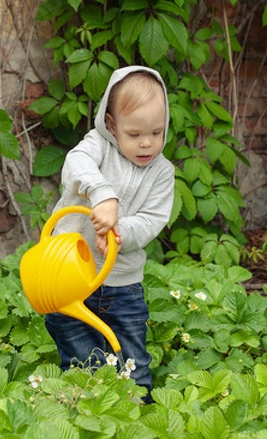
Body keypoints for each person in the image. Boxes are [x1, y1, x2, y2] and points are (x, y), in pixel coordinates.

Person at [45, 65, 175, 404]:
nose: (147, 143)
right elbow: (75, 166)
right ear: (111, 125)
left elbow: (151, 219)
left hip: (123, 284)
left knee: (134, 357)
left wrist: (120, 230)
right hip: (70, 273)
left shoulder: (163, 172)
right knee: (70, 332)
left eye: (157, 133)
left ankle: (137, 411)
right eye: (134, 134)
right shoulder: (96, 149)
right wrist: (103, 193)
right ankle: (90, 393)